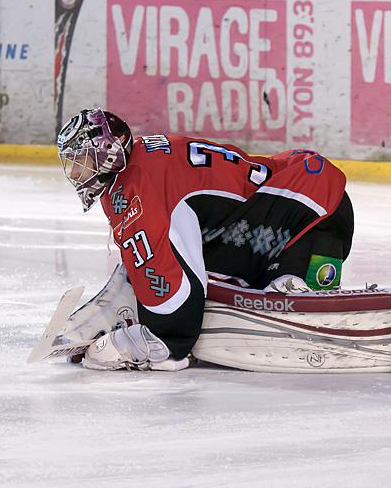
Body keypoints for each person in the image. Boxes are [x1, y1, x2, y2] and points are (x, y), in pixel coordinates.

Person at [56, 108, 354, 371]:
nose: (76, 172)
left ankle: (297, 285)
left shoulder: (140, 189)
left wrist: (165, 340)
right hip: (298, 200)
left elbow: (173, 302)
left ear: (109, 152)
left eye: (82, 160)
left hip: (316, 218)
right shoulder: (135, 168)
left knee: (287, 299)